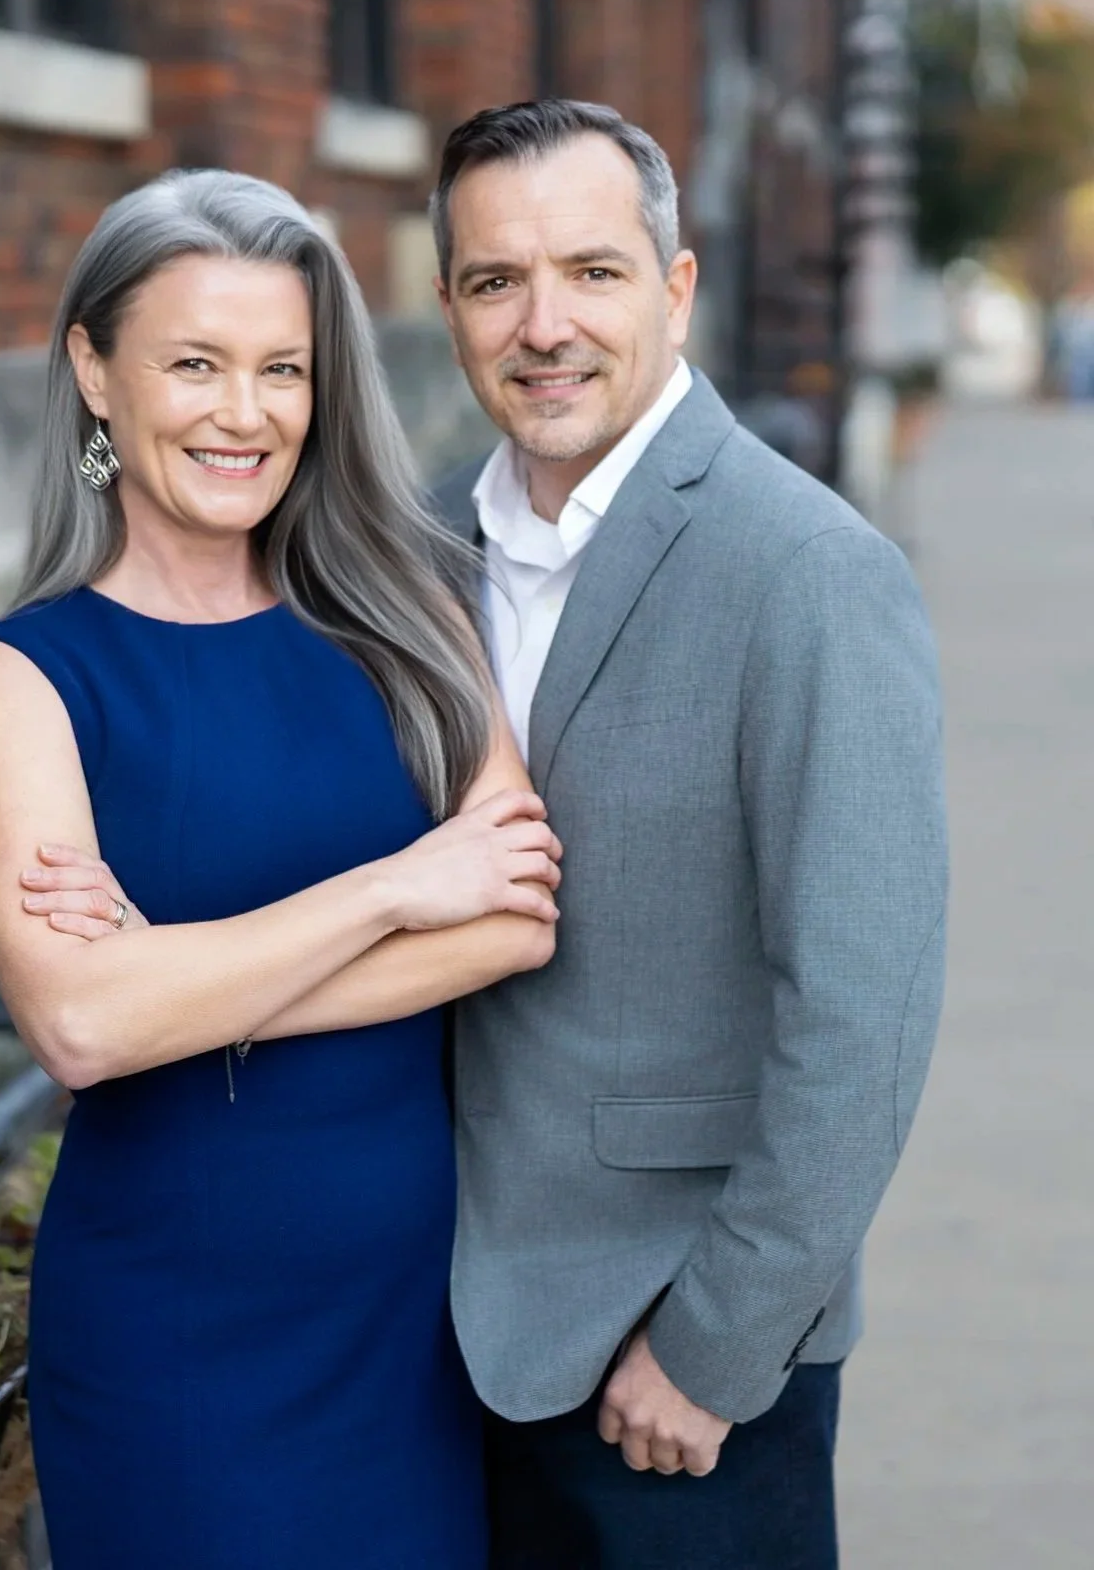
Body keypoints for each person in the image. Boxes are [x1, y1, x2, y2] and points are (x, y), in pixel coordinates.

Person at [0, 168, 565, 1570]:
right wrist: (397, 888)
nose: (246, 412)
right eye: (196, 365)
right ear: (94, 372)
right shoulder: (21, 679)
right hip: (173, 1340)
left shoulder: (408, 608)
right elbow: (83, 1023)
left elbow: (518, 913)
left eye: (283, 368)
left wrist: (183, 978)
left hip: (408, 1328)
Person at [424, 100, 946, 1569]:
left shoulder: (811, 572)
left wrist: (720, 1347)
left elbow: (866, 1018)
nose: (543, 325)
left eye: (591, 272)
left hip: (671, 1359)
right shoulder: (411, 552)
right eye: (492, 280)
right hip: (427, 1342)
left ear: (675, 287)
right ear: (450, 304)